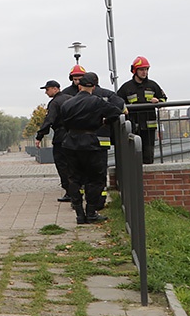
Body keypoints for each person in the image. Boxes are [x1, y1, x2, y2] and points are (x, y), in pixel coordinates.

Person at [60, 72, 122, 224]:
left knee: (74, 179)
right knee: (95, 178)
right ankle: (91, 212)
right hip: (90, 142)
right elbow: (116, 112)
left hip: (70, 143)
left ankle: (79, 214)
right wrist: (104, 121)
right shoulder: (97, 101)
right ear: (93, 86)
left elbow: (64, 123)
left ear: (80, 86)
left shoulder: (67, 103)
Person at [116, 56, 167, 164]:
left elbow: (164, 99)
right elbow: (117, 102)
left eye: (146, 69)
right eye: (142, 69)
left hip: (149, 127)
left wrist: (158, 101)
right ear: (135, 71)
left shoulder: (153, 85)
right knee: (133, 155)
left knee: (148, 155)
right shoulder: (126, 87)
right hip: (133, 126)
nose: (145, 72)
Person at [35, 80, 73, 202]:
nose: (46, 92)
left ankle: (69, 191)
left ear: (56, 89)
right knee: (73, 163)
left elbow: (49, 120)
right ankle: (77, 189)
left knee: (62, 164)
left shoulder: (54, 103)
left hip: (61, 136)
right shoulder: (71, 98)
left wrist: (39, 136)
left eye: (47, 89)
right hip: (74, 134)